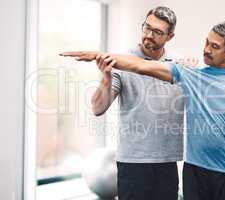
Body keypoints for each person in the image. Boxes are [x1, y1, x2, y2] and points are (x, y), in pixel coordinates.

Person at [61, 22, 225, 200]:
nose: (206, 49)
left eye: (214, 46)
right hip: (194, 172)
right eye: (206, 42)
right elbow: (140, 66)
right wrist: (101, 56)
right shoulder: (191, 73)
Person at [62, 6, 189, 200]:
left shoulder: (179, 64)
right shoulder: (121, 63)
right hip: (133, 162)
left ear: (170, 36)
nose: (149, 35)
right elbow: (97, 108)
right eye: (146, 27)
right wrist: (106, 77)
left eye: (157, 32)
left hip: (167, 162)